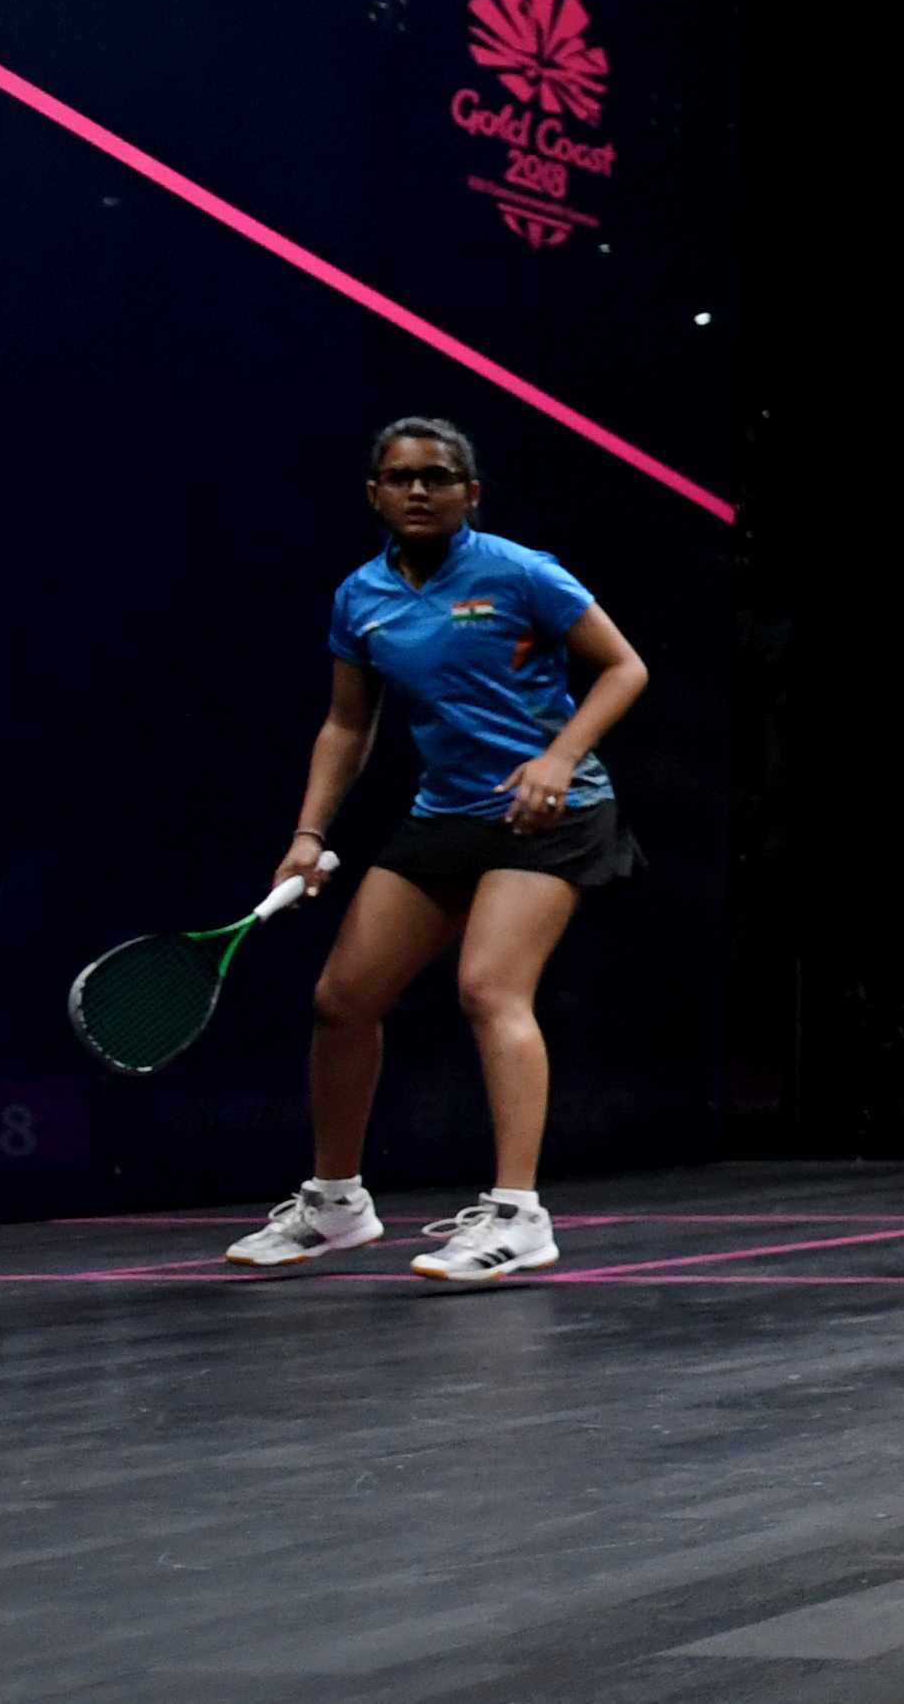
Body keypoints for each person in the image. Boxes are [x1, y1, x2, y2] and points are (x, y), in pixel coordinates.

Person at [225, 417, 649, 1281]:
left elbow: (624, 667)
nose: (419, 490)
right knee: (343, 1000)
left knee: (489, 988)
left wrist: (558, 759)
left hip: (554, 812)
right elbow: (348, 725)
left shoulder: (521, 572)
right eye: (400, 477)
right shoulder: (360, 597)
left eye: (438, 476)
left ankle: (520, 1216)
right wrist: (308, 835)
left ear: (471, 492)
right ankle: (337, 1203)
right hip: (448, 811)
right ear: (374, 493)